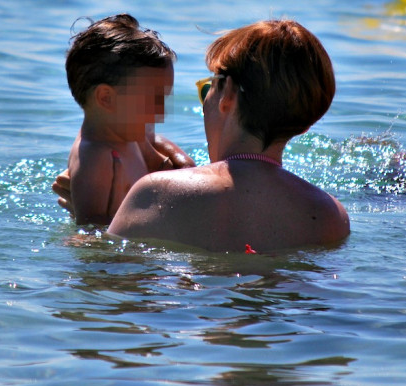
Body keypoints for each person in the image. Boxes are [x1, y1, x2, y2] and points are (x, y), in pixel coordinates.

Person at [106, 19, 350, 253]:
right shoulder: (331, 217)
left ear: (228, 94)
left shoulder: (155, 194)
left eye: (208, 88)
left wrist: (93, 220)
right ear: (304, 125)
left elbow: (107, 275)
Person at [62, 14, 193, 226]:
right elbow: (92, 234)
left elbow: (155, 140)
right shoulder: (96, 158)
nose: (160, 113)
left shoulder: (127, 130)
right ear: (106, 98)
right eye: (152, 100)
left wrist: (185, 165)